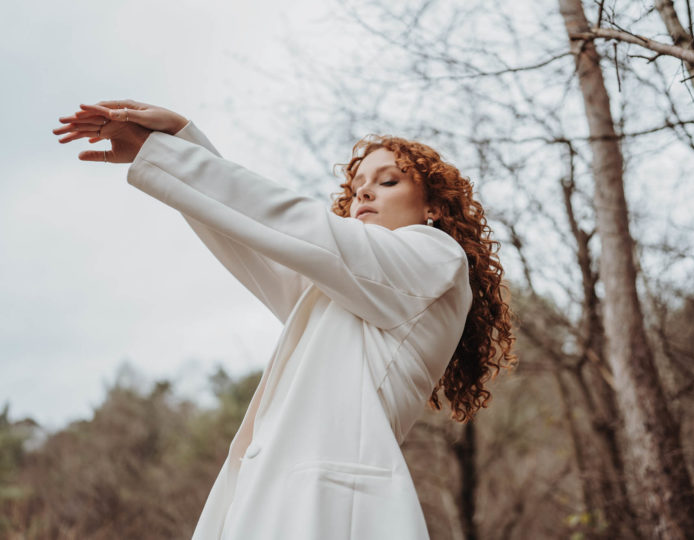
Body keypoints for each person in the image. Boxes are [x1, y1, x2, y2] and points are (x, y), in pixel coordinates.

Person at [52, 100, 516, 540]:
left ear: (433, 207)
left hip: (332, 513)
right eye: (356, 191)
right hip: (272, 505)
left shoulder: (435, 258)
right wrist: (179, 140)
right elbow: (256, 238)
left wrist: (168, 154)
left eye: (388, 181)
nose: (365, 193)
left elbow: (302, 228)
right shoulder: (340, 287)